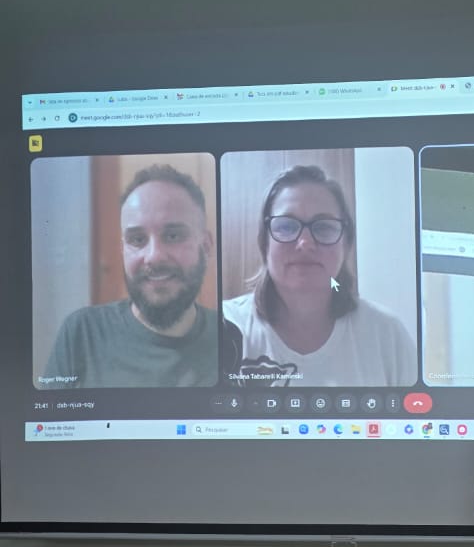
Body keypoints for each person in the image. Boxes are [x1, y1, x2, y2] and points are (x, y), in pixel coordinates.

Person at [221, 165, 417, 388]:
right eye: (286, 226)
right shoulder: (224, 328)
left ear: (346, 244)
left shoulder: (388, 336)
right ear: (264, 243)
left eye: (323, 227)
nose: (305, 243)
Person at [40, 164, 218, 389]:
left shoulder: (235, 338)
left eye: (173, 236)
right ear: (123, 250)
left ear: (206, 246)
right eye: (137, 239)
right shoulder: (81, 334)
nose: (154, 257)